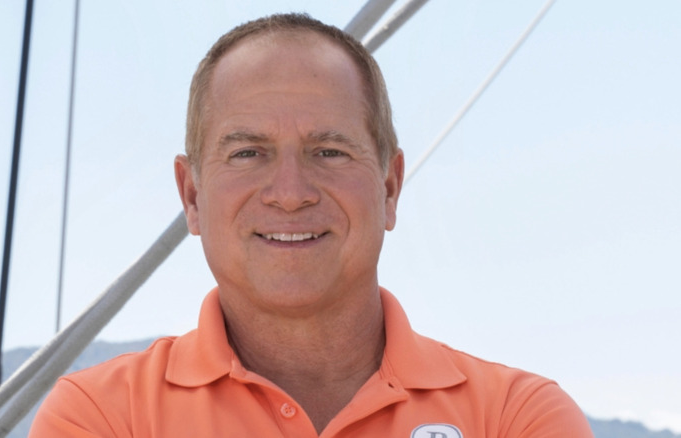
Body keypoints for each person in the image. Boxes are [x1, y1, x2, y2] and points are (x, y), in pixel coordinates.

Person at [29, 13, 593, 437]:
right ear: (192, 195)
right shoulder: (103, 415)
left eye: (329, 151)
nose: (291, 194)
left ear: (390, 187)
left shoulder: (517, 417)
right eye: (249, 153)